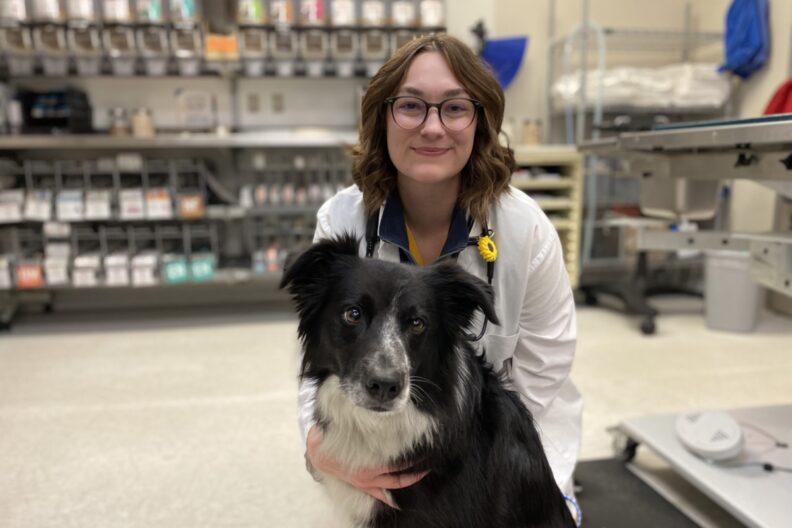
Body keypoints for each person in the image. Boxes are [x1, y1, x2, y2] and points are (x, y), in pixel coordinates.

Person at [297, 33, 582, 516]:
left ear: (480, 123)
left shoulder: (525, 229)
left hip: (497, 447)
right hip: (376, 440)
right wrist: (322, 449)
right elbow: (321, 355)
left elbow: (543, 371)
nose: (432, 128)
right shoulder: (341, 220)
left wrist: (481, 464)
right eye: (411, 106)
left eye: (454, 108)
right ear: (382, 117)